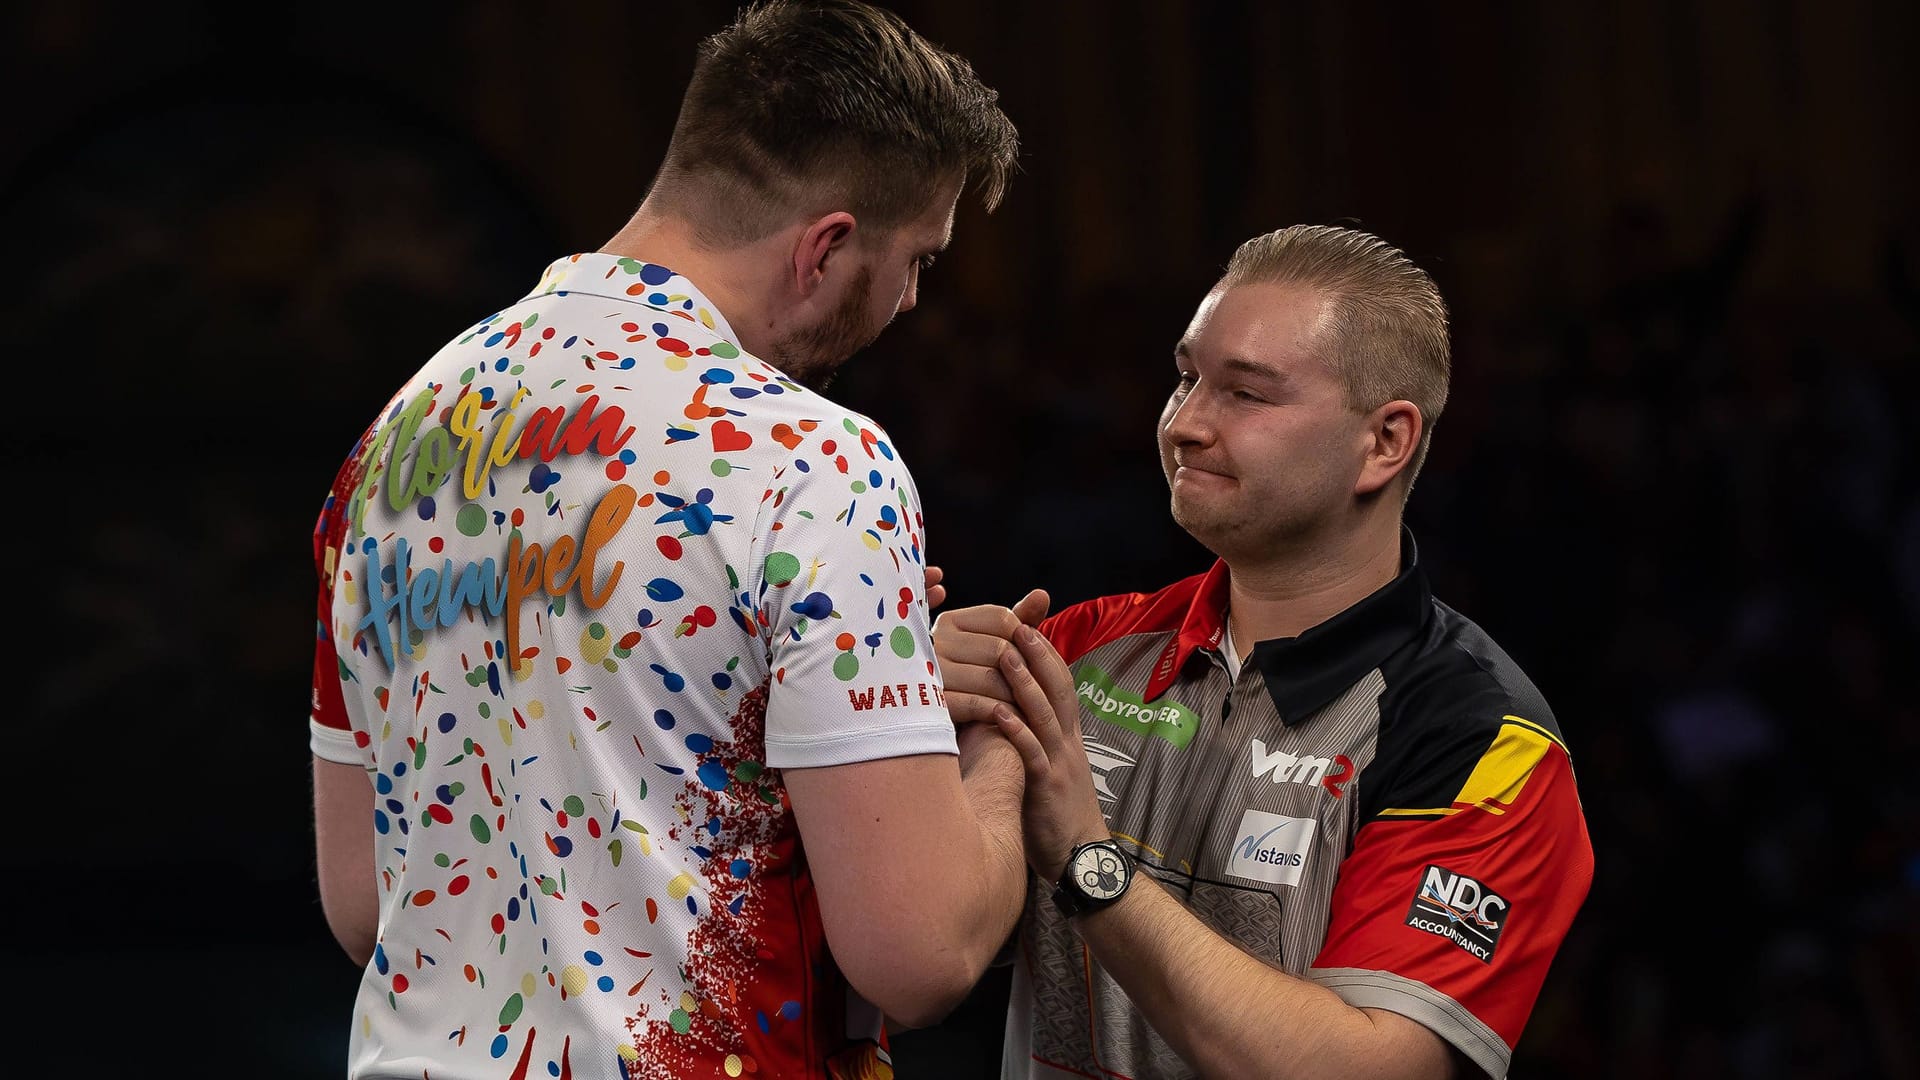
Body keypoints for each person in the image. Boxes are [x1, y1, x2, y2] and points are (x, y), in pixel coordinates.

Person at [305, 3, 1030, 1077]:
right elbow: (917, 955)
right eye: (916, 259)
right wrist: (1002, 747)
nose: (914, 299)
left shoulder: (388, 442)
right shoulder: (814, 462)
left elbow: (369, 904)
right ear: (827, 247)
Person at [933, 224, 1596, 1079]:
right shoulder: (1078, 649)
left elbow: (1365, 1070)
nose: (1185, 426)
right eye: (1186, 378)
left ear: (1385, 442)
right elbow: (926, 954)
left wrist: (1086, 859)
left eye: (1246, 394)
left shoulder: (1488, 743)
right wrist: (889, 701)